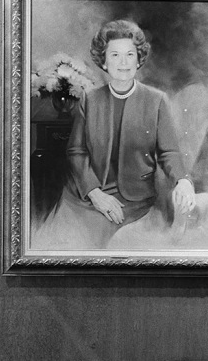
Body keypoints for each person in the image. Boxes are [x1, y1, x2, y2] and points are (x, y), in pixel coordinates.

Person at [58, 18, 196, 246]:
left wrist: (183, 180)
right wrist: (94, 192)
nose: (123, 62)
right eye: (115, 55)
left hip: (137, 201)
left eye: (130, 54)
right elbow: (76, 152)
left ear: (139, 58)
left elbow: (169, 151)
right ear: (103, 60)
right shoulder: (89, 99)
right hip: (90, 197)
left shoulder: (157, 100)